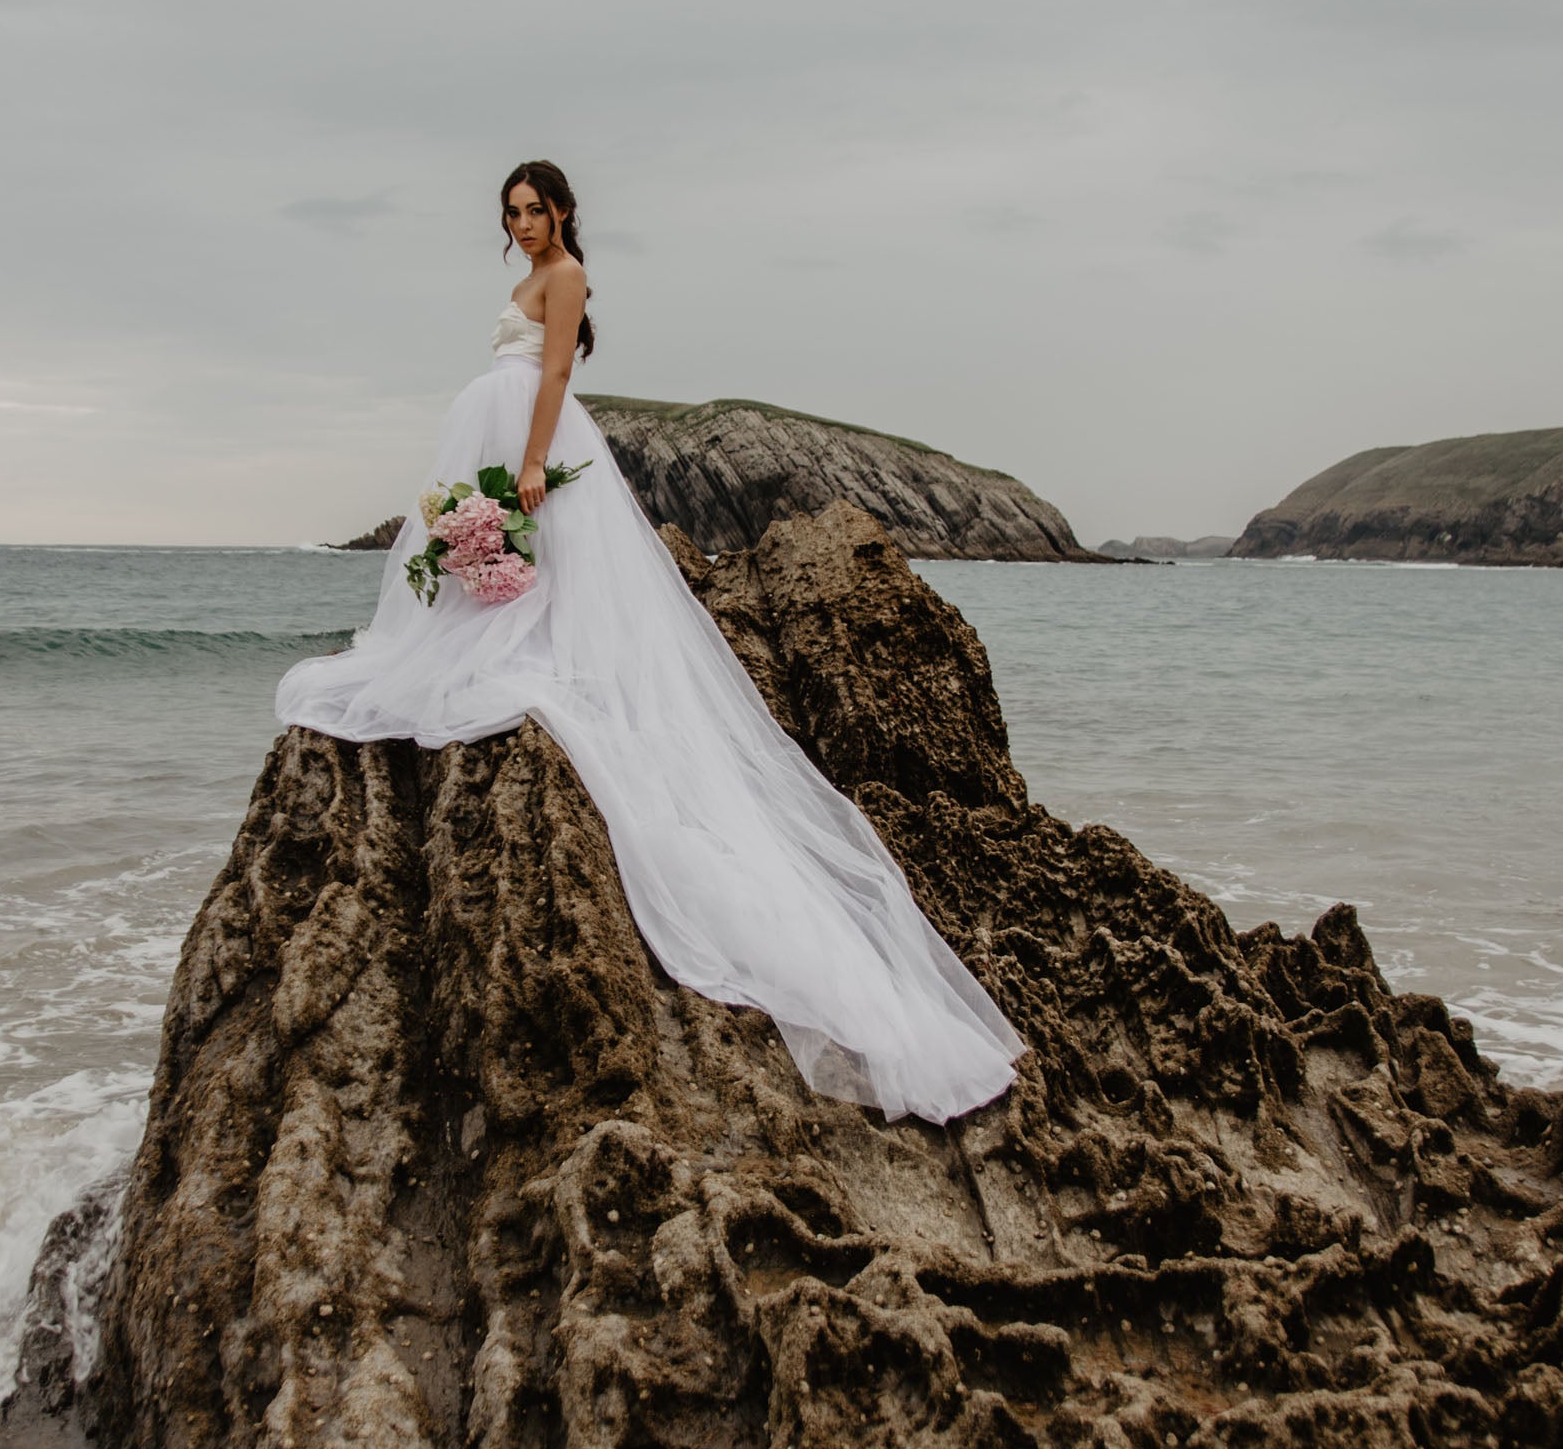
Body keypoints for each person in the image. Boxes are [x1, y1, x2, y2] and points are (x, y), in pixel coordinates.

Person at [275, 159, 1021, 1124]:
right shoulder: (527, 278)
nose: (524, 224)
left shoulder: (569, 275)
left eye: (536, 210)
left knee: (552, 583)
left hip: (538, 435)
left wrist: (535, 458)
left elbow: (551, 373)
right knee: (498, 576)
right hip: (502, 428)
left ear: (563, 213)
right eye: (512, 213)